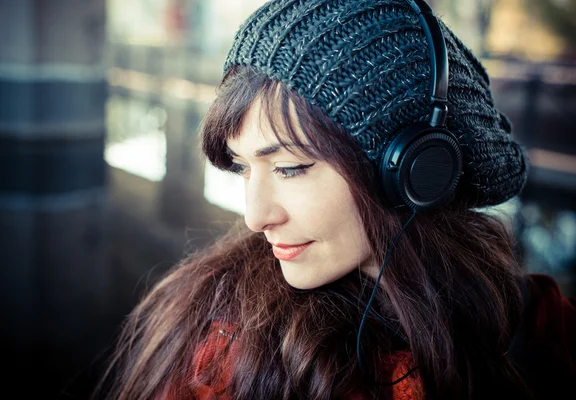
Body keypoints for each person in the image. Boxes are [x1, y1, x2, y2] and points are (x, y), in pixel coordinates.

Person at [98, 0, 576, 399]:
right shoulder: (224, 350)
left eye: (290, 168)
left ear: (414, 170)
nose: (254, 217)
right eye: (243, 167)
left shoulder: (540, 325)